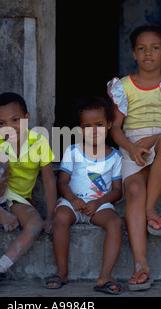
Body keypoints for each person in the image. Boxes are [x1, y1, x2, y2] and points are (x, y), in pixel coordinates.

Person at [107, 25, 161, 291]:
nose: (148, 53)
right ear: (134, 53)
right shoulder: (122, 86)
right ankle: (140, 265)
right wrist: (131, 148)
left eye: (155, 47)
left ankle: (150, 208)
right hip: (133, 145)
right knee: (132, 189)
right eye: (141, 48)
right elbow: (115, 128)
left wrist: (153, 140)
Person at [0, 92, 56, 291]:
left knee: (35, 224)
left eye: (15, 120)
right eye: (2, 123)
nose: (10, 127)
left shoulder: (39, 143)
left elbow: (49, 182)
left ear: (27, 118)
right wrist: (0, 212)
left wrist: (50, 216)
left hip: (17, 199)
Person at [44, 96, 123, 295]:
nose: (94, 130)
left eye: (99, 124)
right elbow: (62, 182)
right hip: (72, 202)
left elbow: (116, 190)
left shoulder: (115, 156)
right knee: (60, 217)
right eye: (87, 126)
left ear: (109, 125)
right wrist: (72, 199)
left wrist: (98, 202)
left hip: (99, 205)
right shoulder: (73, 151)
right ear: (80, 130)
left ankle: (105, 276)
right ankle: (61, 272)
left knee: (115, 223)